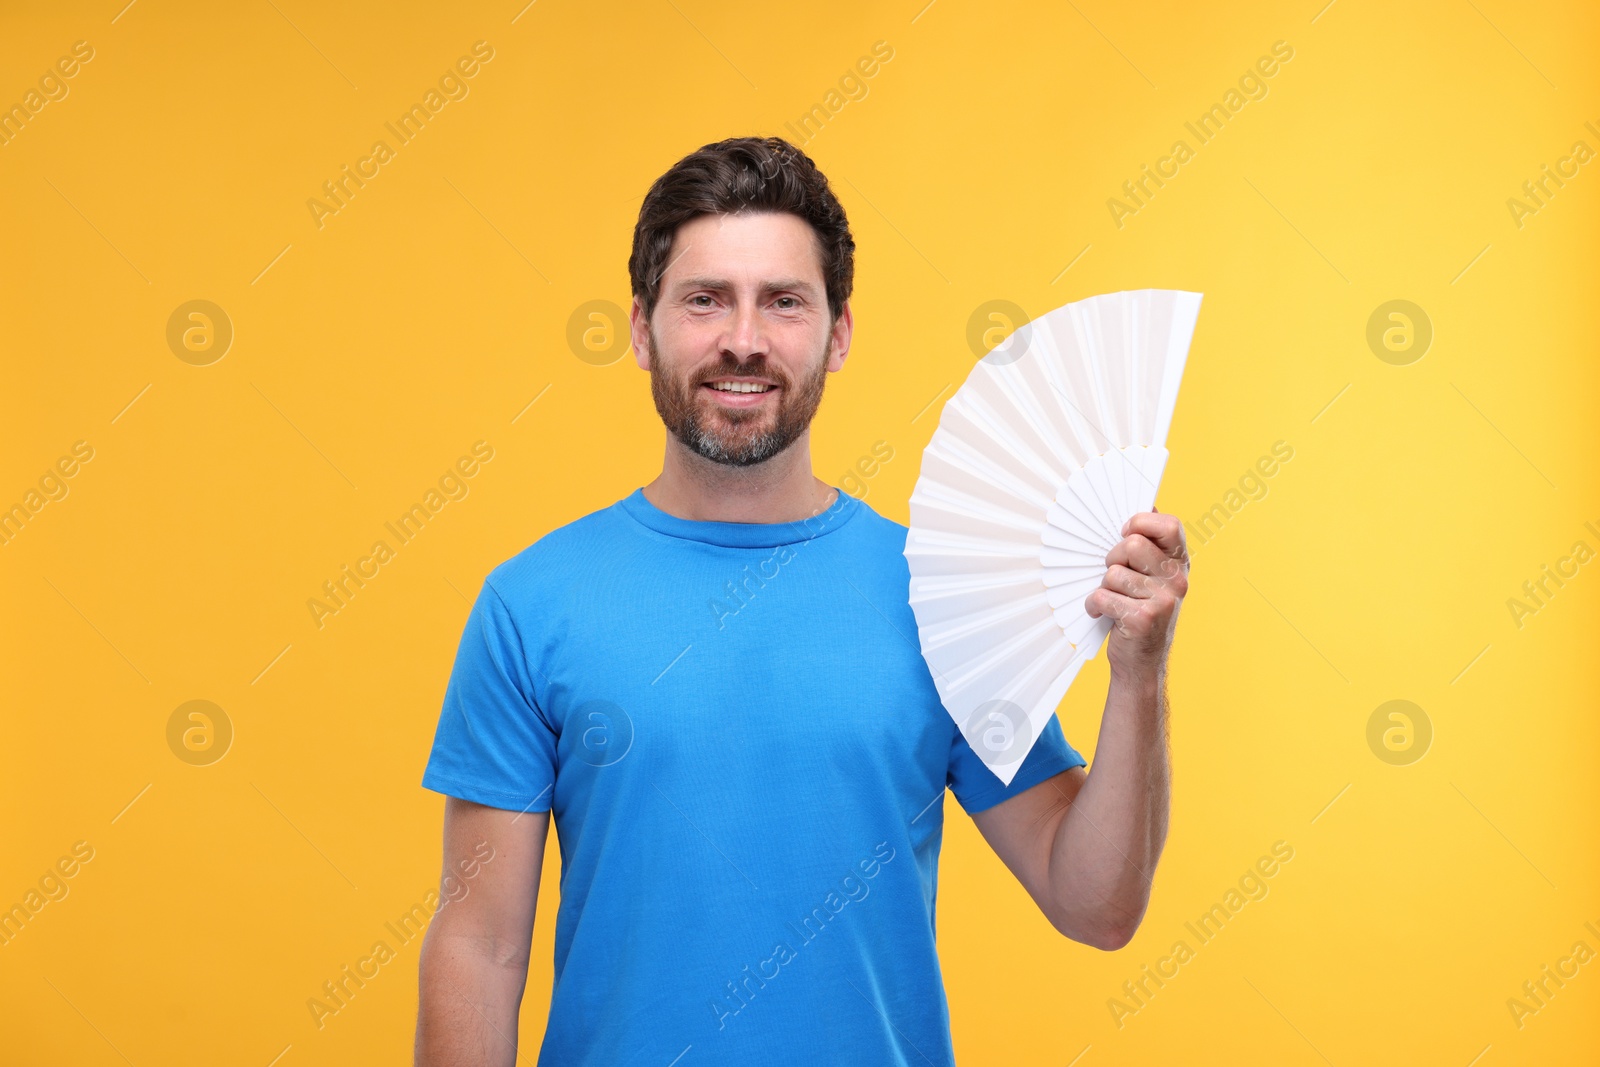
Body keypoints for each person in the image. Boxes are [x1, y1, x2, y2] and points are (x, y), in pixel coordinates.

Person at [413, 135, 1188, 1066]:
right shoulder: (531, 606)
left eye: (784, 301)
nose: (744, 338)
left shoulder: (940, 595)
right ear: (639, 327)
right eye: (705, 299)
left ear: (840, 332)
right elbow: (480, 946)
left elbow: (1095, 903)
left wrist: (1140, 677)